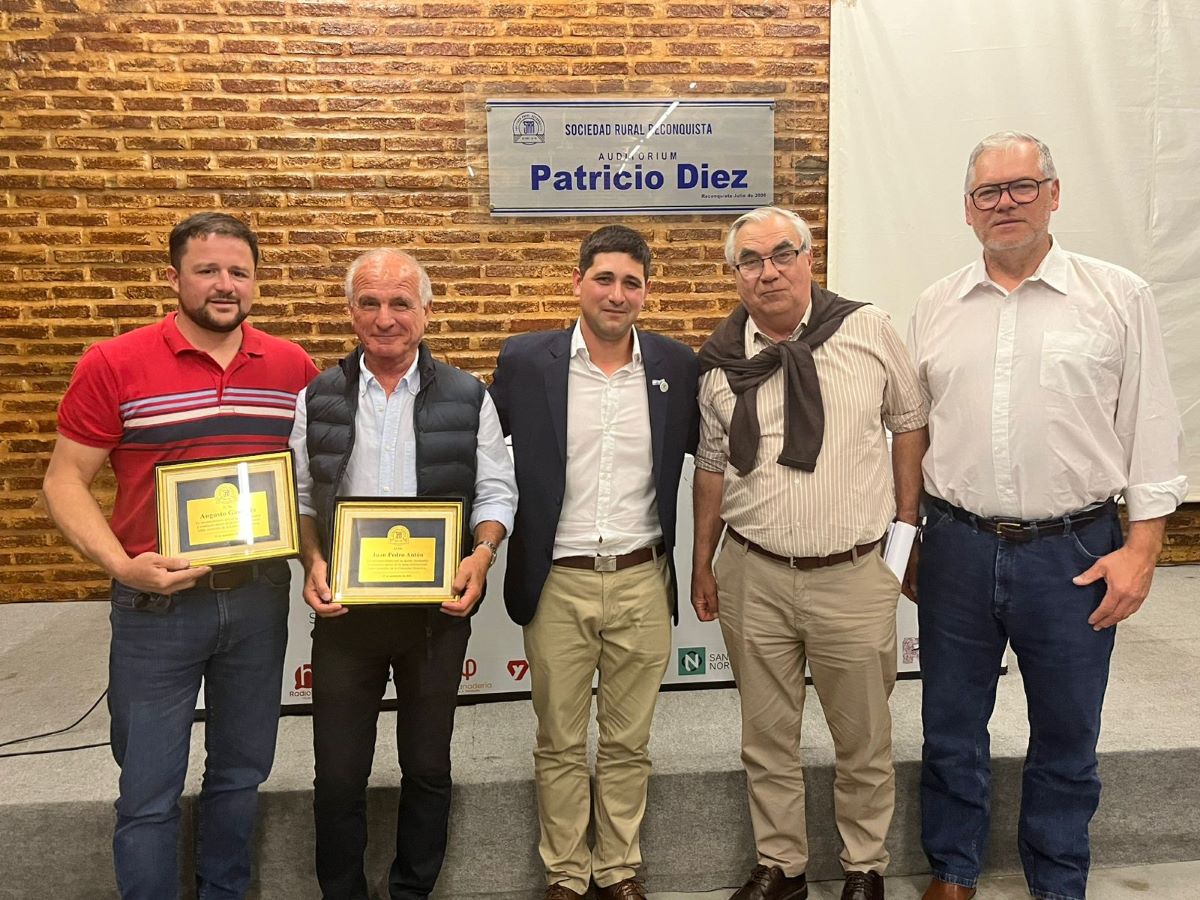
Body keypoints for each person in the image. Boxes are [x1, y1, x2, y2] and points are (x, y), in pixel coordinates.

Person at [908, 131, 1187, 900]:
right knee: (949, 725)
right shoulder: (935, 305)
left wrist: (1143, 550)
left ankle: (1058, 882)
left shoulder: (1117, 296)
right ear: (968, 210)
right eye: (988, 192)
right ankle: (952, 871)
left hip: (1073, 552)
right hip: (956, 547)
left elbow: (1151, 425)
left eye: (1021, 186)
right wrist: (912, 537)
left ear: (1054, 194)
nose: (1005, 203)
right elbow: (915, 430)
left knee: (1067, 731)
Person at [41, 212, 318, 899]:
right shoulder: (115, 362)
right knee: (148, 787)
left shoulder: (291, 367)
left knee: (241, 773)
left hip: (257, 597)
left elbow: (312, 480)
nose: (225, 285)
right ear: (173, 278)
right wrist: (121, 565)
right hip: (154, 604)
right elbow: (63, 480)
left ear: (256, 281)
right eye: (207, 270)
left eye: (239, 272)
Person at [691, 207, 929, 900]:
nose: (768, 272)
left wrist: (906, 527)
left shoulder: (867, 330)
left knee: (863, 737)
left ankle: (864, 866)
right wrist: (703, 561)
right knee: (766, 736)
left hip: (852, 572)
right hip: (753, 573)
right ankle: (781, 865)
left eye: (782, 254)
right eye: (750, 261)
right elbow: (712, 468)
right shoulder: (720, 361)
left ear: (808, 257)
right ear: (734, 274)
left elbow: (910, 421)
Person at [288, 247, 517, 900]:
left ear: (427, 311)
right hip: (346, 614)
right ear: (350, 311)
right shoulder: (317, 396)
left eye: (400, 303)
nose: (384, 318)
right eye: (369, 302)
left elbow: (496, 492)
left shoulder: (470, 396)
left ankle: (412, 891)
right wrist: (312, 561)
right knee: (337, 776)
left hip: (434, 617)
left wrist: (480, 555)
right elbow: (302, 499)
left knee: (427, 766)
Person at [489, 224, 699, 900]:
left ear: (647, 292)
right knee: (558, 741)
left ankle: (617, 869)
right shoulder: (526, 361)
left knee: (628, 742)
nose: (617, 294)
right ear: (578, 282)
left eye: (631, 283)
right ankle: (565, 874)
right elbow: (486, 452)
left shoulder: (677, 366)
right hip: (560, 580)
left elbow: (716, 453)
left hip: (643, 577)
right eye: (604, 279)